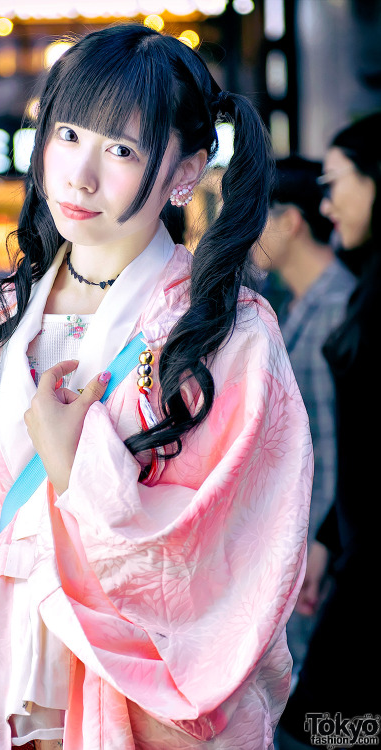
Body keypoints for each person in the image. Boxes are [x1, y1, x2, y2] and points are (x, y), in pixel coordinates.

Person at [0, 24, 312, 749]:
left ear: (185, 172)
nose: (78, 176)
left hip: (130, 713)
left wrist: (76, 465)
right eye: (68, 133)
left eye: (121, 150)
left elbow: (234, 561)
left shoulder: (228, 337)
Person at [278, 112, 381, 748]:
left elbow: (341, 451)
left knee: (323, 729)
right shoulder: (359, 291)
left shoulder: (349, 300)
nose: (328, 202)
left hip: (360, 575)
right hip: (344, 558)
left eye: (337, 182)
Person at [255, 157, 356, 686]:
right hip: (304, 554)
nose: (243, 229)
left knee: (330, 721)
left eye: (254, 214)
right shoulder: (294, 307)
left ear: (290, 221)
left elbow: (339, 451)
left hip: (322, 563)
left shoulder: (337, 310)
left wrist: (321, 544)